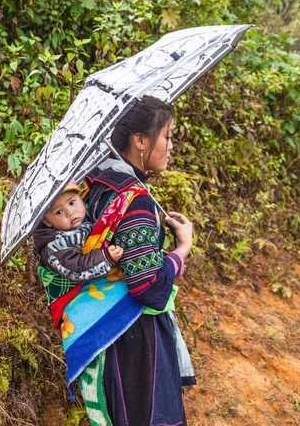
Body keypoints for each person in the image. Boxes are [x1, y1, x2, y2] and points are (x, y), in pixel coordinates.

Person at [36, 95, 195, 426]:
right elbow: (147, 286)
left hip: (103, 335)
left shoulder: (95, 183)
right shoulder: (134, 202)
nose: (170, 145)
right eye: (167, 136)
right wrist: (181, 251)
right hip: (135, 344)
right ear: (139, 140)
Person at [33, 181, 124, 282]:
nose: (70, 213)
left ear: (79, 197)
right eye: (59, 212)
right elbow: (77, 269)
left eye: (71, 203)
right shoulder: (55, 247)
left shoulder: (87, 210)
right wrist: (105, 257)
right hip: (82, 282)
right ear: (47, 221)